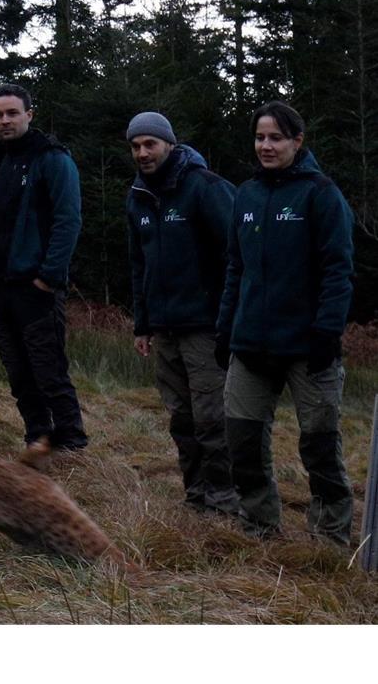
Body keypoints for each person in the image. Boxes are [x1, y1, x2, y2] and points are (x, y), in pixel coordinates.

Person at [216, 101, 355, 544]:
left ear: (297, 141)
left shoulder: (321, 194)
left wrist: (326, 333)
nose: (266, 145)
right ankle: (259, 527)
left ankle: (329, 539)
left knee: (319, 446)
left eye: (276, 137)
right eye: (260, 137)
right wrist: (225, 329)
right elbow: (235, 268)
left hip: (307, 348)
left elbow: (338, 270)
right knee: (242, 442)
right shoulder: (247, 195)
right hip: (251, 345)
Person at [125, 112, 239, 515]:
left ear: (169, 143)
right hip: (164, 326)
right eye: (136, 146)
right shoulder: (137, 195)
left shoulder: (204, 187)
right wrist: (142, 323)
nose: (142, 153)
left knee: (213, 418)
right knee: (181, 418)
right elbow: (138, 264)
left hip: (205, 326)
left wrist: (228, 316)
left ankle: (225, 500)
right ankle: (196, 494)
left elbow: (236, 254)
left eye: (150, 144)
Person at [0, 84, 86, 451]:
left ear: (29, 115)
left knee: (48, 370)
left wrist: (49, 276)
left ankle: (71, 442)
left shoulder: (52, 159)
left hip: (36, 287)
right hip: (1, 288)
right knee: (18, 374)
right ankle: (38, 438)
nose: (4, 121)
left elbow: (67, 221)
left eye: (11, 113)